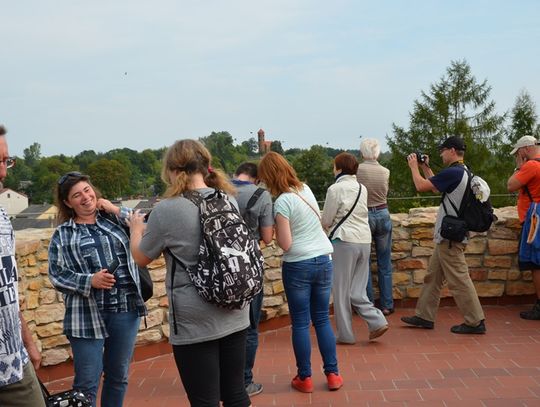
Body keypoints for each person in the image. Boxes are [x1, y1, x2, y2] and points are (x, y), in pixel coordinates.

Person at [129, 139, 251, 407]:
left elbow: (140, 257)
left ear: (172, 170)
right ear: (206, 166)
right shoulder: (228, 199)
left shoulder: (167, 210)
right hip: (235, 306)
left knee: (204, 401)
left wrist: (135, 229)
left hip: (195, 319)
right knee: (236, 394)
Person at [48, 172, 147, 407]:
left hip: (125, 311)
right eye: (76, 195)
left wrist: (113, 209)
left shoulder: (113, 221)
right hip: (85, 317)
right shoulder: (63, 234)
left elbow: (144, 225)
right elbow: (56, 274)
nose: (85, 197)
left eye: (87, 190)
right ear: (67, 203)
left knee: (118, 377)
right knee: (86, 384)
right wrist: (89, 281)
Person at [257, 151, 343, 393]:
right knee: (323, 319)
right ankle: (333, 374)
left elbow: (286, 244)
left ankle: (304, 377)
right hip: (323, 260)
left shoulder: (282, 202)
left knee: (301, 324)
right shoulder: (304, 189)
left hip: (298, 265)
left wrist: (272, 228)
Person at [401, 136, 486, 334]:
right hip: (449, 235)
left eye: (443, 150)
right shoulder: (461, 172)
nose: (441, 153)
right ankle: (424, 316)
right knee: (433, 277)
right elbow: (436, 185)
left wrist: (413, 166)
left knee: (459, 279)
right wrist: (425, 168)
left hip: (450, 238)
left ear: (453, 151)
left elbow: (422, 187)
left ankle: (475, 321)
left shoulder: (454, 172)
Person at [0, 125, 46, 407]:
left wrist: (27, 341)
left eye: (6, 160)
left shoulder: (3, 218)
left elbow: (7, 291)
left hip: (13, 363)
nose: (4, 172)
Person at [322, 152, 389, 344]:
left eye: (334, 166)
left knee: (341, 290)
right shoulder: (362, 188)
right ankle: (377, 321)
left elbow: (326, 220)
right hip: (364, 240)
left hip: (343, 241)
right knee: (357, 289)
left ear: (340, 168)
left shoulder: (335, 189)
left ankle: (346, 334)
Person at [232, 162, 274, 397]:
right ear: (256, 179)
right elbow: (267, 237)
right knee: (249, 328)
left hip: (220, 267)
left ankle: (223, 381)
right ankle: (244, 382)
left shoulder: (217, 190)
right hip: (249, 266)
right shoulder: (261, 195)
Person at [356, 138, 394, 315]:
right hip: (383, 213)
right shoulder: (385, 171)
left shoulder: (358, 171)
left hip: (365, 216)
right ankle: (387, 304)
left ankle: (369, 303)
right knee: (384, 262)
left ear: (363, 153)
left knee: (364, 263)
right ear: (377, 152)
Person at [507, 135, 540, 319]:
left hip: (535, 219)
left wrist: (519, 165)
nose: (518, 155)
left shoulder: (531, 166)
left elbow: (510, 185)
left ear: (525, 149)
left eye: (518, 152)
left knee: (536, 263)